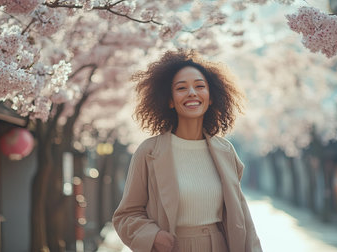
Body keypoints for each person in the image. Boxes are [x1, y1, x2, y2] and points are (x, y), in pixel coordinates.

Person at [112, 49, 263, 252]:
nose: (192, 92)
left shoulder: (225, 151)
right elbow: (126, 215)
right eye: (181, 88)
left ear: (211, 97)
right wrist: (153, 236)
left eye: (200, 86)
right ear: (170, 101)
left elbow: (242, 217)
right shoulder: (149, 152)